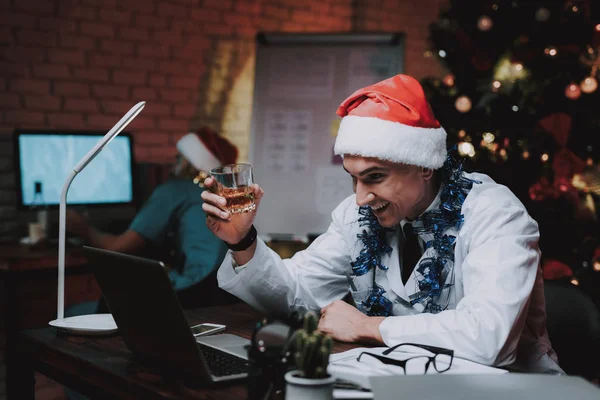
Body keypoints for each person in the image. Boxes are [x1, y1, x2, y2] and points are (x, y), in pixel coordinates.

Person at [201, 75, 563, 374]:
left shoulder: (496, 214)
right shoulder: (356, 214)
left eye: (374, 177)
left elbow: (489, 339)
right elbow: (297, 294)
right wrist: (243, 242)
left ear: (424, 165)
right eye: (353, 178)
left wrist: (367, 326)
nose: (360, 197)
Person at [67, 127, 238, 307]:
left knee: (75, 310)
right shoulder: (226, 196)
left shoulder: (175, 190)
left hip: (189, 294)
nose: (173, 162)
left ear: (190, 162)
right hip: (222, 297)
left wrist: (81, 227)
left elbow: (117, 248)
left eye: (179, 157)